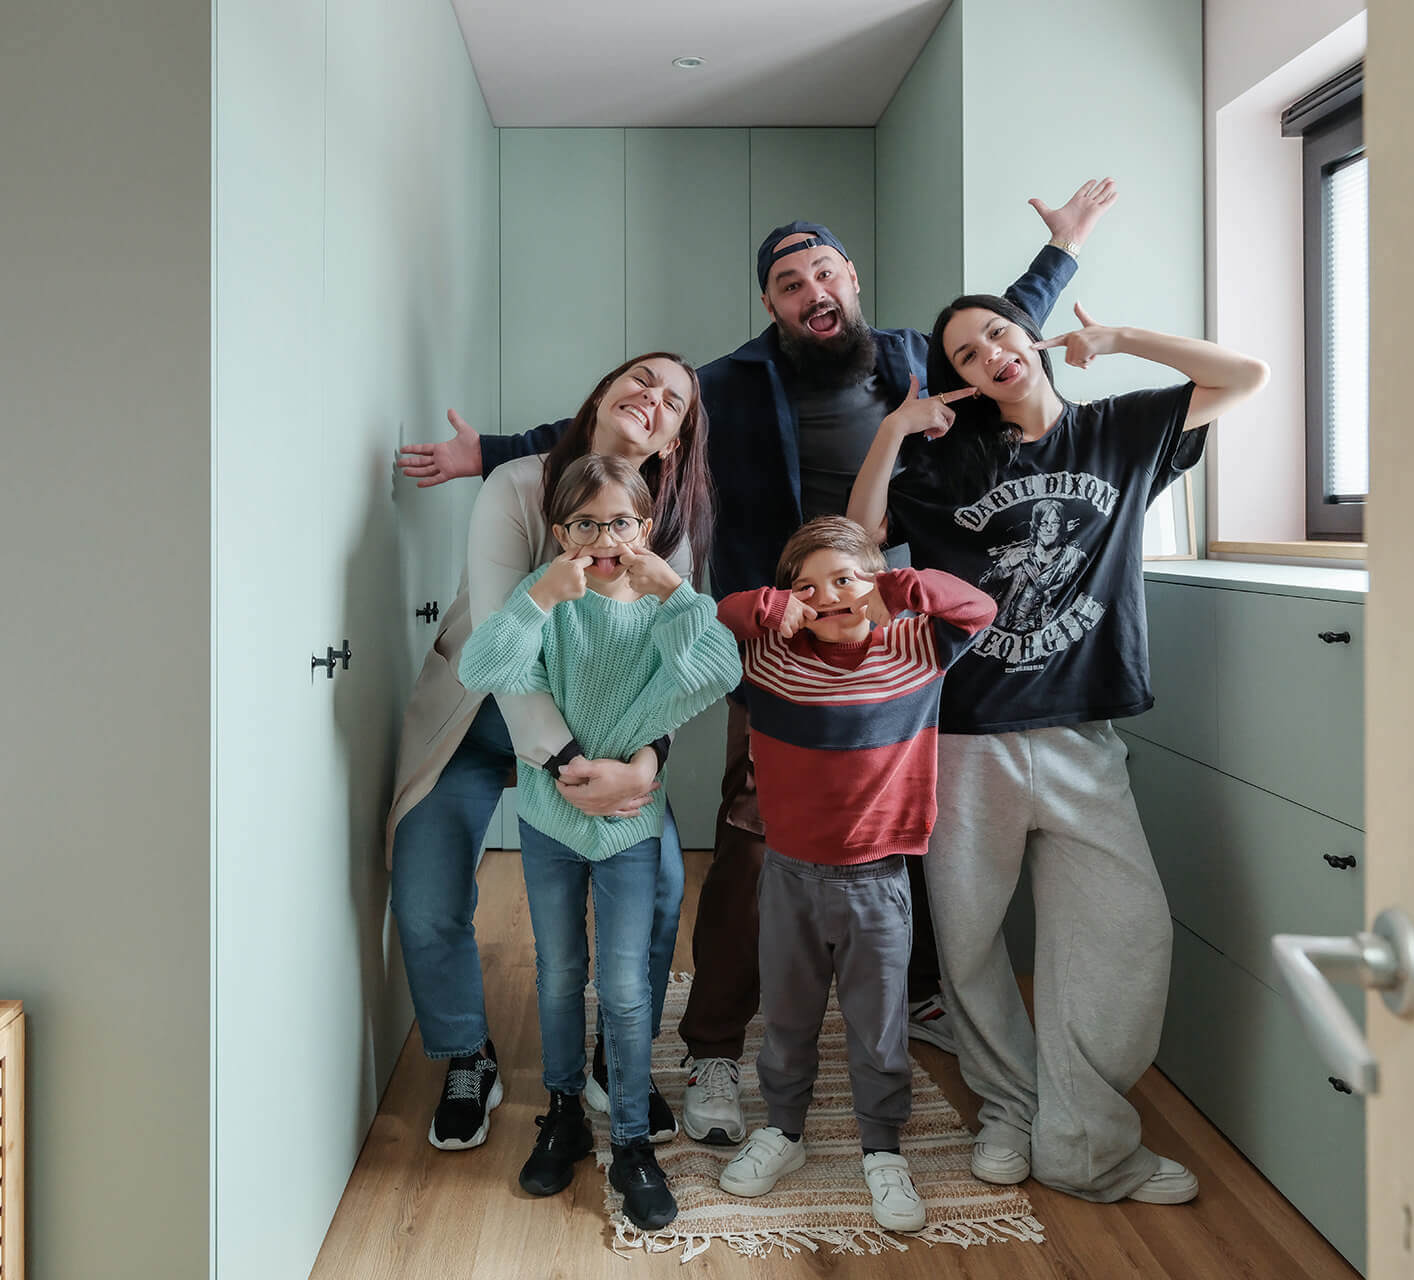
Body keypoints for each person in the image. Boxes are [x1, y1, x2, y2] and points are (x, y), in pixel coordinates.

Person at [401, 179, 1119, 1146]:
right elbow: (600, 433)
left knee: (879, 827)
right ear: (771, 305)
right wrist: (481, 451)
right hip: (657, 668)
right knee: (728, 839)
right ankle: (662, 1050)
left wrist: (1061, 253)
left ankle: (900, 998)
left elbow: (1003, 342)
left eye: (822, 270)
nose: (810, 289)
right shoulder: (729, 383)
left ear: (850, 277)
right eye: (788, 282)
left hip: (851, 637)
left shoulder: (910, 361)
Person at [847, 295, 1268, 1205]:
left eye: (998, 331)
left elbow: (1246, 377)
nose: (990, 352)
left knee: (1127, 932)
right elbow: (864, 534)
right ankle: (1010, 1106)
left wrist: (1120, 338)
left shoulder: (1121, 429)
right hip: (966, 735)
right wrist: (893, 430)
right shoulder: (947, 460)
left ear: (1026, 339)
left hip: (1083, 734)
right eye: (966, 352)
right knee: (966, 940)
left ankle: (1083, 1139)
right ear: (958, 378)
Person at [383, 353, 713, 1154]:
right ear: (602, 392)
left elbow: (686, 662)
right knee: (424, 891)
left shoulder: (669, 529)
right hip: (482, 716)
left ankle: (614, 1057)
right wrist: (564, 763)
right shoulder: (515, 486)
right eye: (641, 379)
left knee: (666, 882)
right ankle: (466, 1052)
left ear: (673, 442)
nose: (653, 398)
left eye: (674, 401)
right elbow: (500, 649)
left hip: (607, 731)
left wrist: (645, 762)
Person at [457, 454, 743, 1231]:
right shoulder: (548, 597)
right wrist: (540, 597)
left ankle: (629, 1142)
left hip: (629, 826)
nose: (603, 538)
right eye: (585, 524)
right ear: (561, 533)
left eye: (619, 522)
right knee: (557, 976)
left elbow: (722, 670)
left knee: (622, 986)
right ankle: (562, 1114)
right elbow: (482, 667)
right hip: (550, 820)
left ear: (645, 529)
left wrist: (676, 592)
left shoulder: (662, 602)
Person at [710, 516, 995, 1233]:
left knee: (878, 1024)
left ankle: (882, 1146)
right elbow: (713, 622)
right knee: (787, 1014)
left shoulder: (915, 646)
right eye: (807, 586)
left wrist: (895, 585)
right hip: (789, 875)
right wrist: (774, 608)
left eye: (843, 579)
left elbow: (978, 607)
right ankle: (784, 1129)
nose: (828, 596)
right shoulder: (769, 656)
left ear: (875, 581)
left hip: (877, 878)